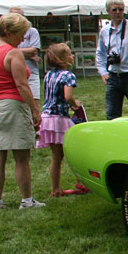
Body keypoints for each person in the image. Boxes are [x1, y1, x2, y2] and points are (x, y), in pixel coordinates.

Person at [0, 12, 44, 210]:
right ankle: (26, 200)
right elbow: (22, 85)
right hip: (13, 106)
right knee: (22, 158)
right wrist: (34, 110)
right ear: (8, 32)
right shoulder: (13, 53)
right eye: (20, 34)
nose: (23, 38)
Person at [36, 43, 88, 197]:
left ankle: (56, 189)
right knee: (74, 151)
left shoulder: (48, 75)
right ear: (62, 59)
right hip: (59, 118)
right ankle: (81, 182)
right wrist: (74, 104)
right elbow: (67, 96)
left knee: (56, 156)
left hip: (47, 117)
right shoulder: (68, 75)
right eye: (70, 54)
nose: (72, 56)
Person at [8, 7, 41, 100]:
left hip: (31, 72)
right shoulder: (7, 33)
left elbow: (33, 50)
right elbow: (6, 51)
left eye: (22, 16)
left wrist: (13, 52)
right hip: (14, 73)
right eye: (16, 16)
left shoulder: (32, 31)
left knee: (33, 102)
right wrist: (29, 55)